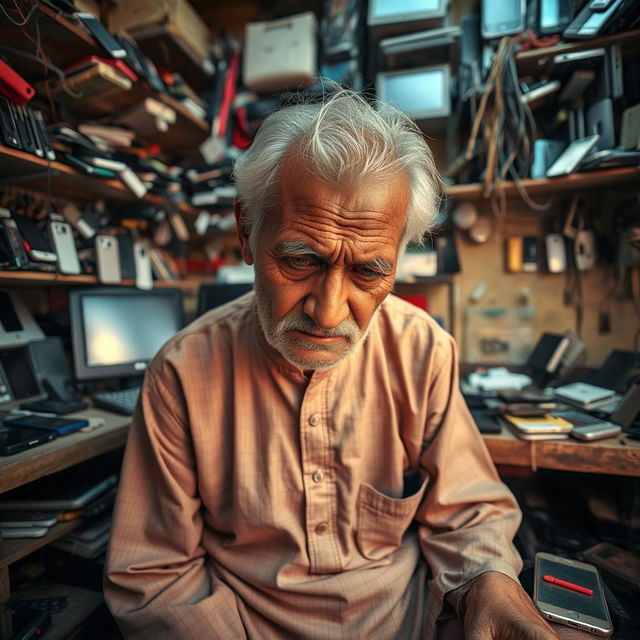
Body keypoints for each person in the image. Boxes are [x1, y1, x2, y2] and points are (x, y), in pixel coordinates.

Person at [104, 90, 560, 639]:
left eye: (369, 271)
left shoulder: (423, 351)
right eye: (300, 259)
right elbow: (155, 575)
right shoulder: (180, 373)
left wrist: (491, 587)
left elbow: (467, 512)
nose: (328, 311)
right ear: (248, 230)